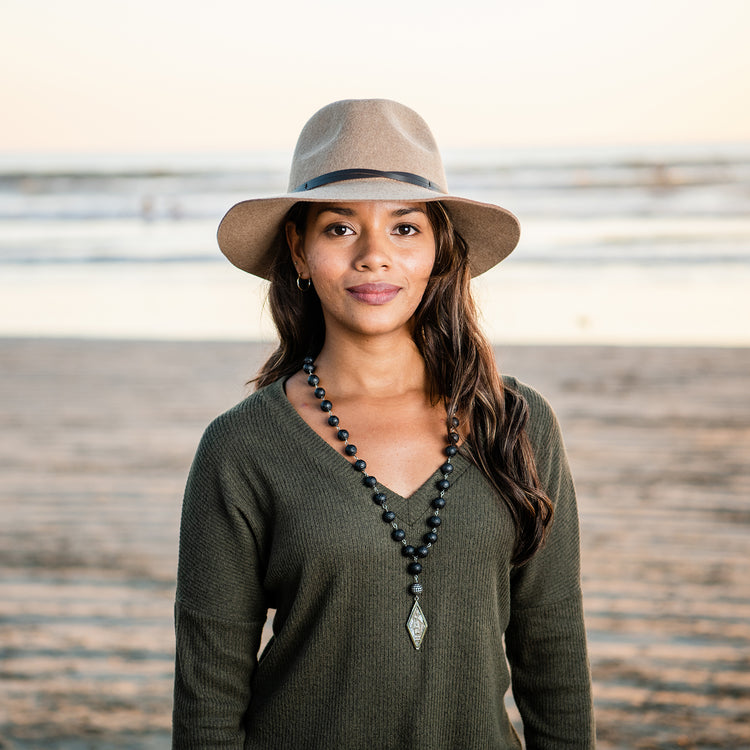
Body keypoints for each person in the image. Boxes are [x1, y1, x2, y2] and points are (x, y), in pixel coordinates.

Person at [172, 99, 595, 749]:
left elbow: (554, 650)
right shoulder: (240, 448)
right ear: (299, 249)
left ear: (439, 249)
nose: (374, 256)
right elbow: (209, 694)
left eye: (404, 229)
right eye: (340, 228)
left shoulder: (517, 422)